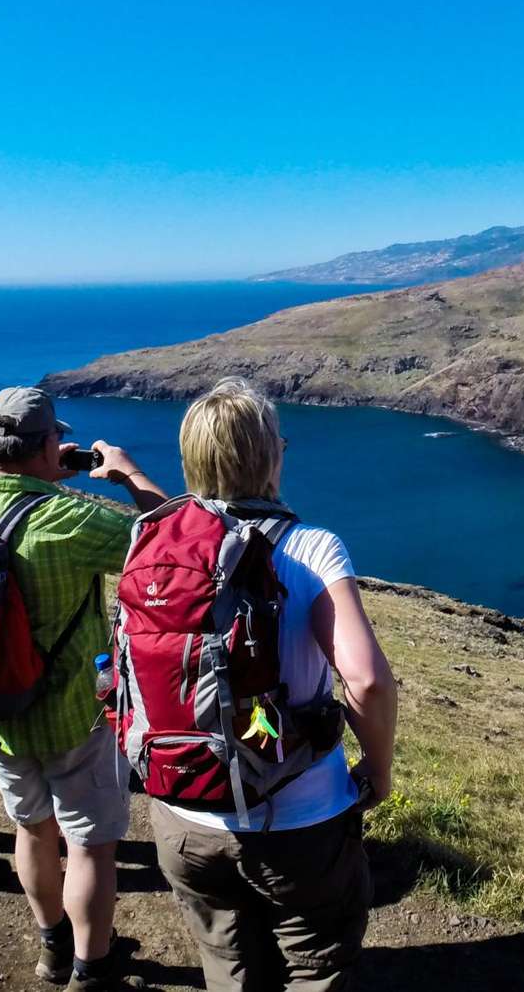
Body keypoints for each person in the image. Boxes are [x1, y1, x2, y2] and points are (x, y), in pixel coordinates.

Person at [147, 376, 398, 992]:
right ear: (269, 455)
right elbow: (365, 680)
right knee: (316, 968)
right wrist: (380, 769)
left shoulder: (150, 540)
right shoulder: (312, 549)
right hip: (298, 816)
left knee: (229, 966)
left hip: (182, 808)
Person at [0, 387, 169, 990]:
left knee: (32, 828)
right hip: (75, 714)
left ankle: (53, 948)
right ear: (44, 445)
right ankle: (93, 967)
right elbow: (171, 540)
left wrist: (42, 476)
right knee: (90, 844)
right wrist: (127, 474)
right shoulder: (70, 520)